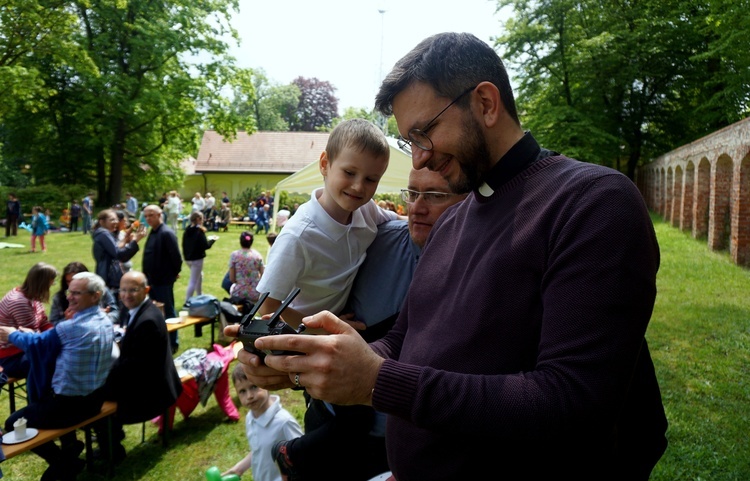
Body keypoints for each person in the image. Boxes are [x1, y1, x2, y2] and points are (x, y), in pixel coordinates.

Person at [233, 32, 668, 481]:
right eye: (410, 141)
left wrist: (377, 382)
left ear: (485, 103)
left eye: (425, 132)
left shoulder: (592, 203)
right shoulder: (453, 222)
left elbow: (573, 401)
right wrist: (313, 362)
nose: (420, 157)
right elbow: (405, 341)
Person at [271, 168, 467, 481]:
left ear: (467, 199)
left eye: (434, 195)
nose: (417, 206)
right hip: (335, 419)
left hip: (410, 440)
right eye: (412, 193)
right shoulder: (377, 237)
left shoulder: (481, 267)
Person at [255, 118, 398, 327]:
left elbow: (403, 222)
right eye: (349, 173)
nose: (358, 187)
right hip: (299, 339)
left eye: (371, 179)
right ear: (324, 164)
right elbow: (266, 308)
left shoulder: (367, 210)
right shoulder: (297, 236)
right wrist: (323, 327)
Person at [1, 272, 114, 481]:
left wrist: (12, 334)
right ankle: (70, 451)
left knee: (13, 423)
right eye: (69, 292)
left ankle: (63, 461)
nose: (69, 297)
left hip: (69, 407)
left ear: (95, 296)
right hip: (95, 400)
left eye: (77, 293)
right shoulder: (105, 321)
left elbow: (37, 346)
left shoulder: (71, 327)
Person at [98, 271, 182, 459]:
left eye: (133, 290)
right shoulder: (142, 310)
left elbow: (133, 368)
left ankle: (112, 451)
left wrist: (104, 380)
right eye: (123, 290)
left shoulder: (147, 321)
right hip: (152, 380)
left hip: (153, 393)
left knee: (96, 402)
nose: (126, 295)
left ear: (146, 290)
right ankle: (112, 439)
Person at [221, 364, 303, 481]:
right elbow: (259, 451)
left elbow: (303, 456)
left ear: (267, 384)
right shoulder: (251, 418)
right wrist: (239, 469)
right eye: (242, 391)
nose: (249, 396)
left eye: (254, 387)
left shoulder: (284, 422)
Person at [0, 262, 57, 378]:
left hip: (20, 349)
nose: (52, 285)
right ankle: (42, 396)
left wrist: (55, 333)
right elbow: (32, 339)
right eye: (51, 282)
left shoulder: (32, 296)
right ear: (42, 283)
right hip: (8, 356)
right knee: (51, 361)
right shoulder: (19, 302)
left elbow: (43, 322)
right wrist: (54, 337)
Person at [142, 204, 182, 353]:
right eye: (146, 216)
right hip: (151, 280)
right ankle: (159, 338)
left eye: (151, 215)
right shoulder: (153, 232)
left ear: (159, 215)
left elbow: (176, 257)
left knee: (168, 311)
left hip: (163, 280)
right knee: (154, 311)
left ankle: (173, 342)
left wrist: (173, 273)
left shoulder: (166, 233)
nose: (148, 218)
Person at [92, 209, 145, 296]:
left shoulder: (105, 233)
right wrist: (135, 240)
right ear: (102, 222)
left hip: (108, 276)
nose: (116, 222)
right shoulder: (103, 233)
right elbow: (119, 254)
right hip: (109, 279)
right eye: (112, 219)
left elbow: (116, 248)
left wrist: (128, 239)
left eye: (116, 219)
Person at [49, 261, 119, 325]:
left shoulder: (102, 291)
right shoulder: (59, 298)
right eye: (68, 281)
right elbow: (53, 322)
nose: (71, 284)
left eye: (75, 280)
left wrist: (102, 316)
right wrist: (68, 320)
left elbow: (115, 311)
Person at [182, 211, 217, 302]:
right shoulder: (199, 231)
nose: (203, 220)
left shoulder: (187, 229)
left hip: (188, 258)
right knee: (193, 280)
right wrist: (213, 240)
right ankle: (187, 301)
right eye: (202, 218)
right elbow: (206, 246)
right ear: (198, 219)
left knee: (199, 275)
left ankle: (199, 295)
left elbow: (184, 244)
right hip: (196, 259)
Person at [228, 231, 264, 304]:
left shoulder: (235, 255)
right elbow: (263, 276)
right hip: (255, 292)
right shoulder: (257, 255)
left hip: (239, 292)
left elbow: (232, 278)